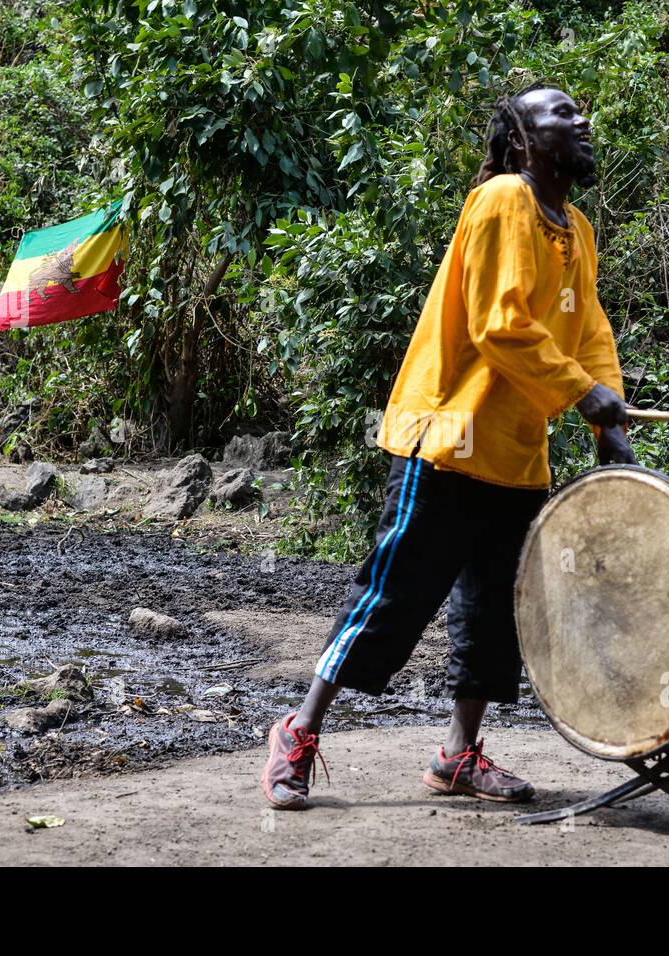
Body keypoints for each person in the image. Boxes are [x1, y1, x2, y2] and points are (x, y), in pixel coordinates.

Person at [261, 82, 635, 810]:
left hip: (518, 453)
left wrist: (606, 418)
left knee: (494, 615)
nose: (580, 119)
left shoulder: (578, 228)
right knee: (393, 596)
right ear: (523, 140)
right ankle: (298, 733)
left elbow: (590, 331)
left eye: (579, 109)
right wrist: (582, 394)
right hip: (448, 440)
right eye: (560, 112)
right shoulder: (502, 201)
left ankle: (459, 756)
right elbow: (502, 324)